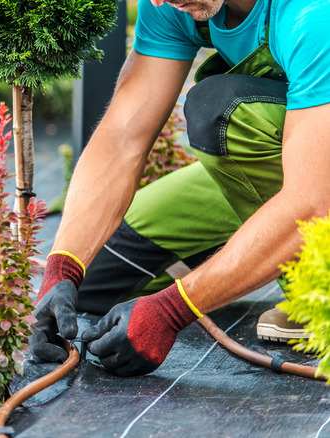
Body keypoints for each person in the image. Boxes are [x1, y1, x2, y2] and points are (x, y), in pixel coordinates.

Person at [29, 0, 330, 376]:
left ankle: (319, 297)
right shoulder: (174, 2)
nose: (156, 0)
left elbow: (312, 203)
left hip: (317, 178)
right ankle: (250, 254)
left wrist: (174, 308)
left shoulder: (314, 15)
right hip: (293, 155)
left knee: (223, 112)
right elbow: (123, 137)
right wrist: (62, 267)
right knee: (96, 280)